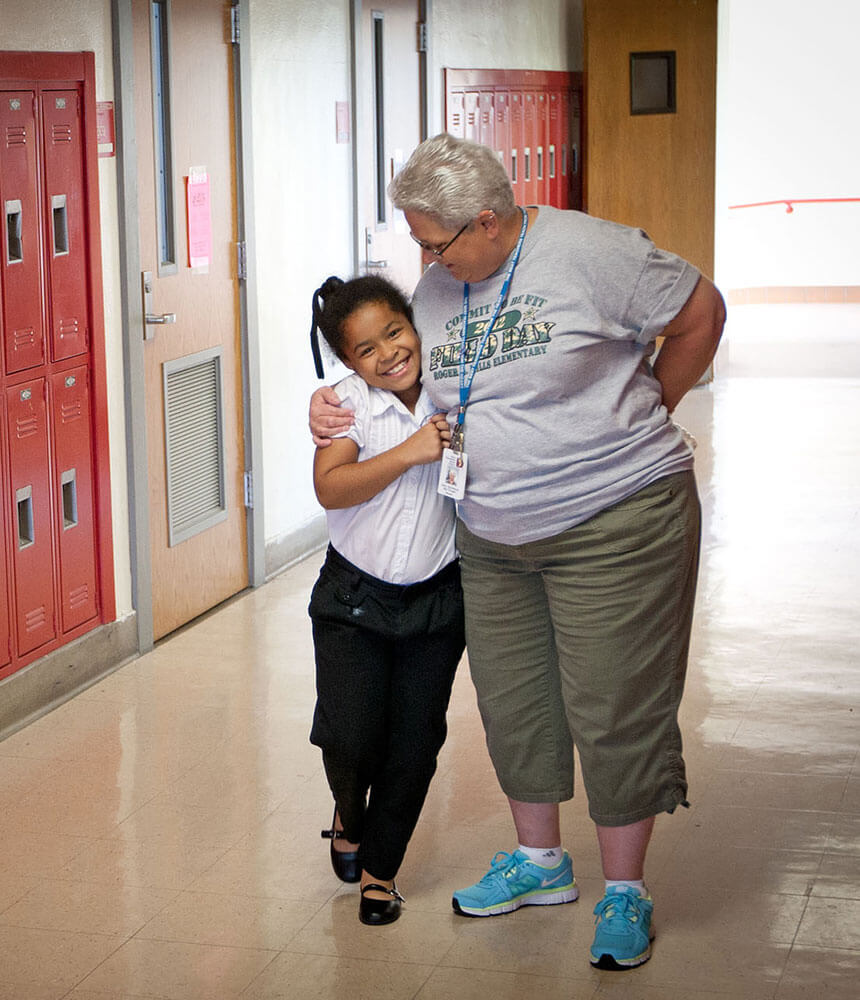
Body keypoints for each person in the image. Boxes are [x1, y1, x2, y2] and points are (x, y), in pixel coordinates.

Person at [309, 133, 725, 967]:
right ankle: (540, 863)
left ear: (487, 222)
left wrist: (648, 406)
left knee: (614, 707)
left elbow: (700, 314)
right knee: (515, 706)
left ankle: (625, 893)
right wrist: (330, 406)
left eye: (434, 241)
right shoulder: (436, 288)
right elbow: (397, 379)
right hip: (494, 538)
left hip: (614, 521)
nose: (423, 258)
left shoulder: (592, 254)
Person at [307, 274, 465, 926]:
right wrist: (409, 451)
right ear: (349, 363)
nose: (388, 354)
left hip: (437, 600)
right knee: (350, 738)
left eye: (395, 332)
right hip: (352, 598)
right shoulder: (349, 405)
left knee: (414, 742)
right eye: (366, 350)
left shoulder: (458, 388)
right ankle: (348, 809)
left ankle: (380, 872)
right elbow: (332, 487)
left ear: (415, 322)